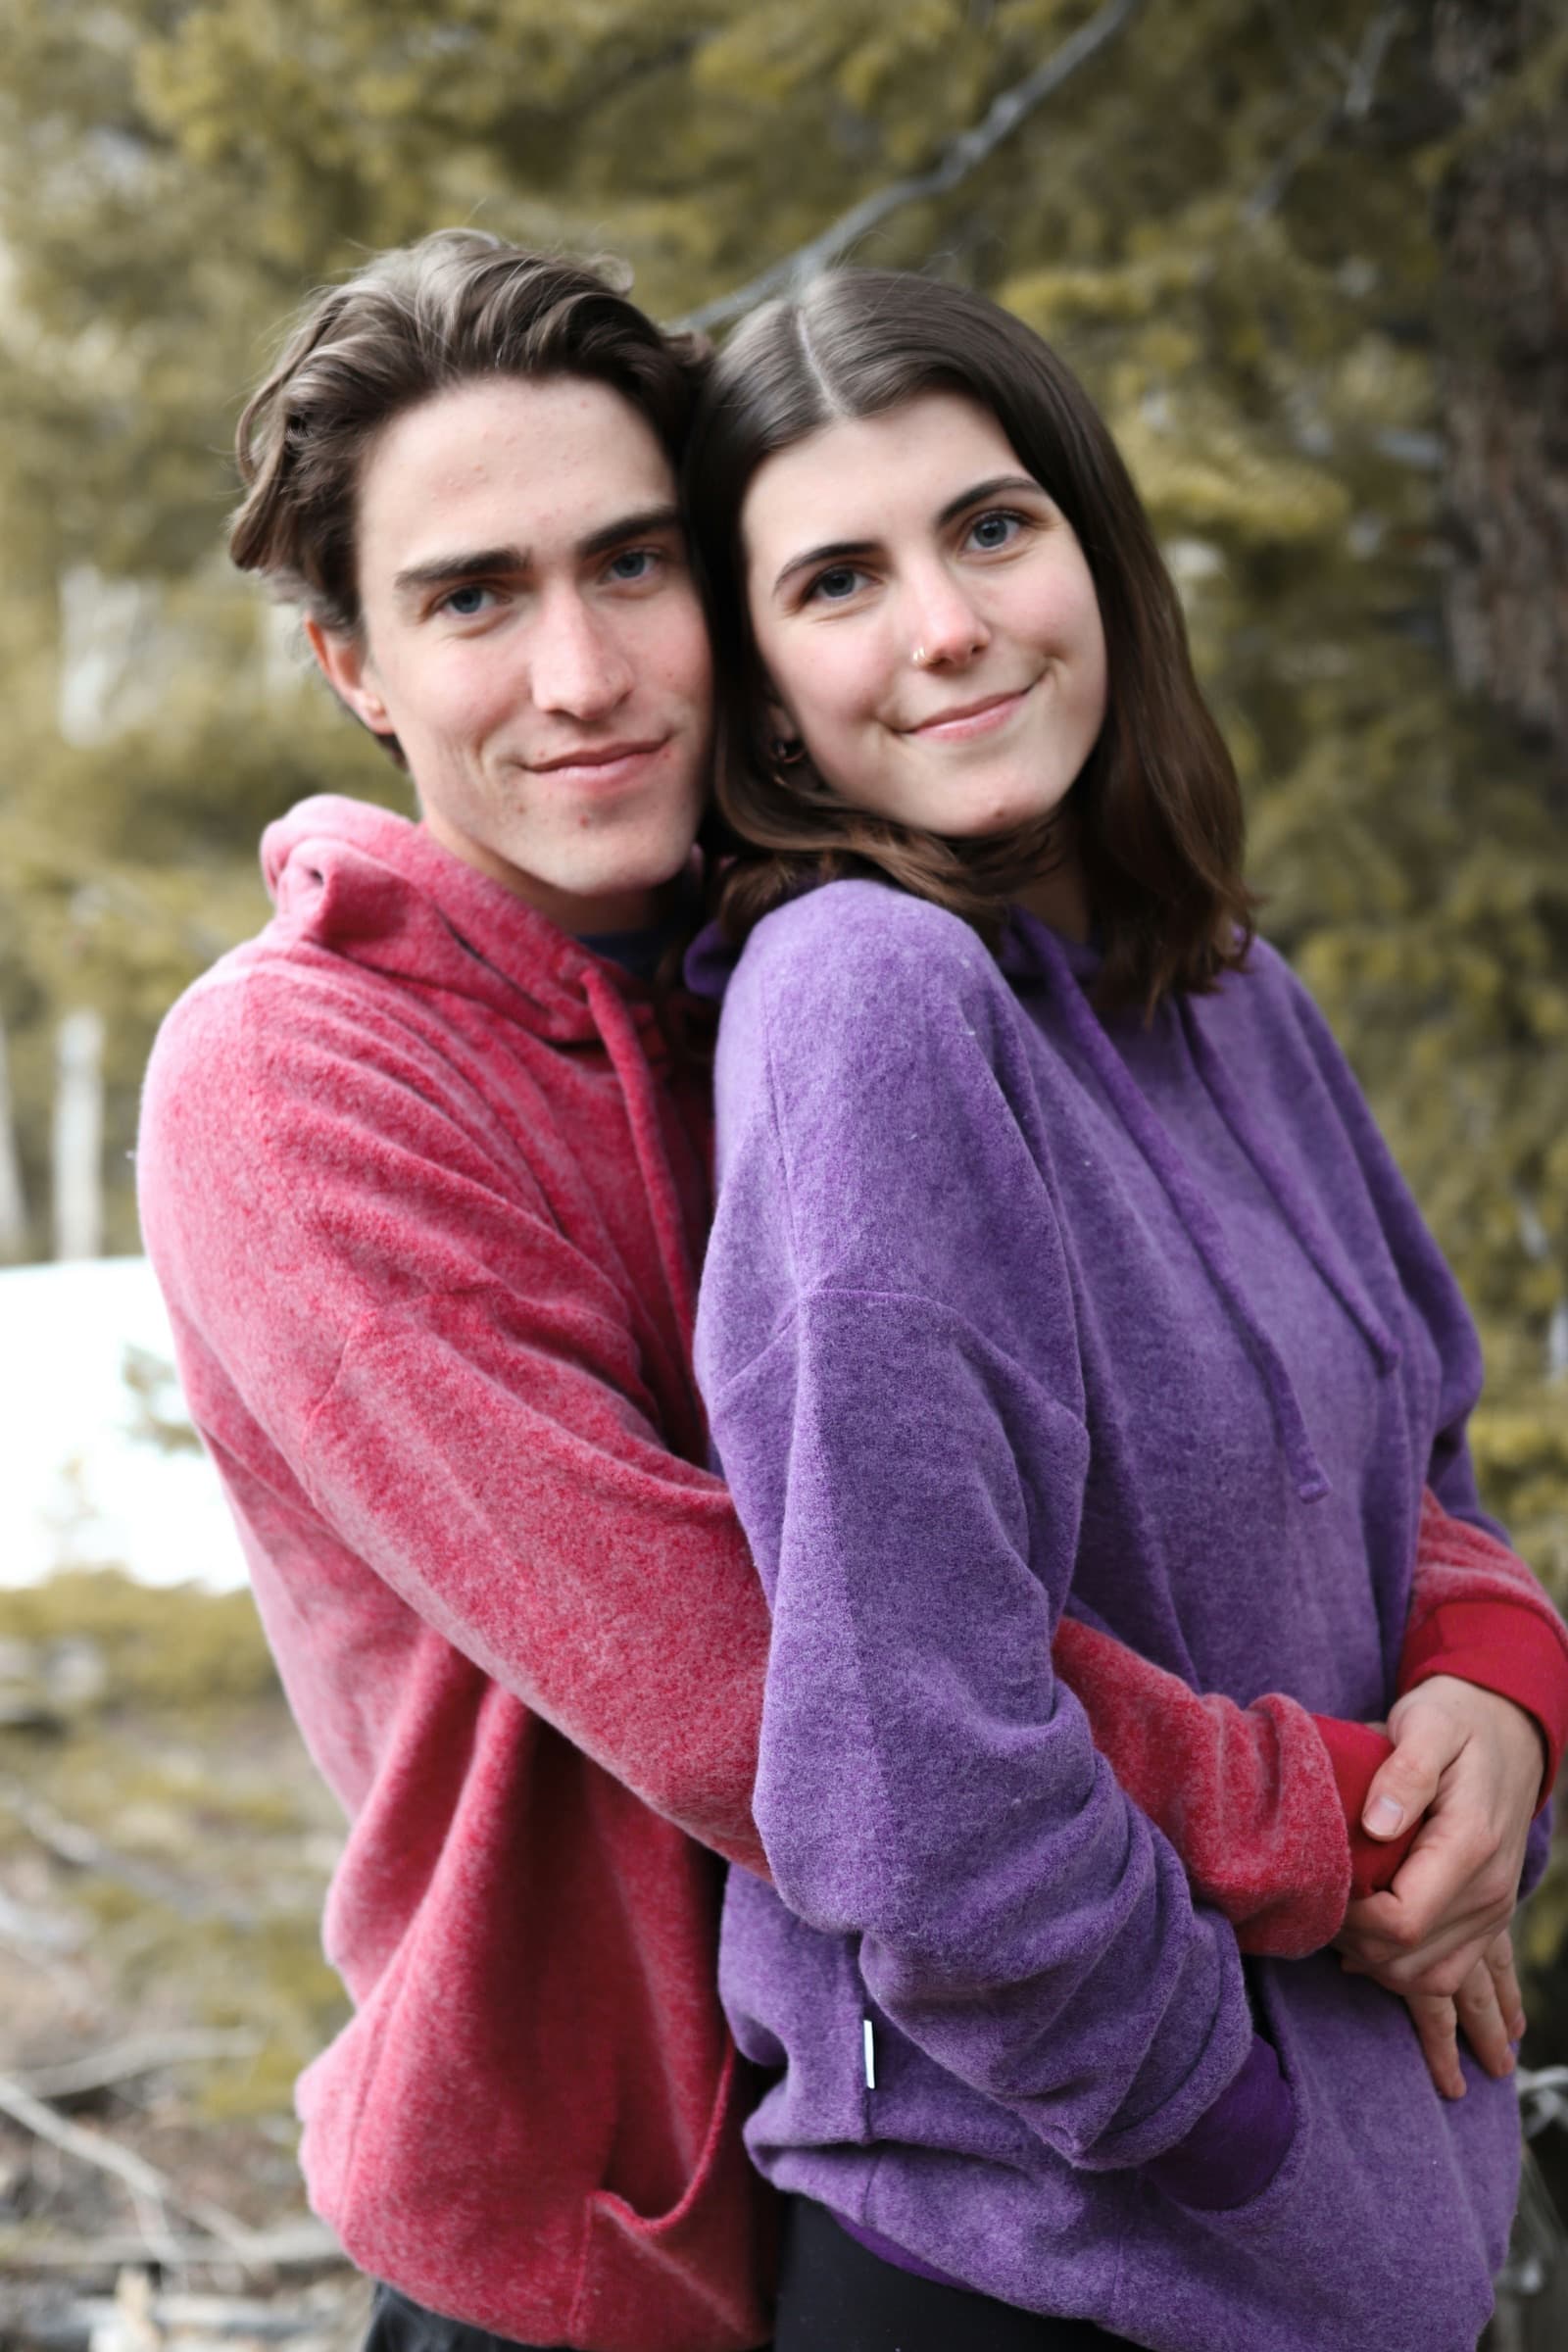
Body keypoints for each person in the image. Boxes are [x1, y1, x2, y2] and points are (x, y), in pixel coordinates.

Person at [135, 231, 1564, 2352]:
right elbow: (768, 1687)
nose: (584, 675)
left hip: (949, 2133)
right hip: (597, 2228)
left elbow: (1344, 1422)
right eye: (471, 599)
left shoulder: (843, 953)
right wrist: (1345, 1840)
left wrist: (1487, 1671)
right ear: (352, 661)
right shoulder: (303, 1080)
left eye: (632, 568)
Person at [679, 267, 1566, 2351]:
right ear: (761, 692)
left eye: (989, 526)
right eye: (836, 581)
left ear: (1092, 543)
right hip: (1047, 2257)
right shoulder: (863, 1005)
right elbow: (909, 1765)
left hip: (1334, 2233)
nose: (947, 625)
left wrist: (1495, 1690)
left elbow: (1415, 1448)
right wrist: (1229, 2127)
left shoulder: (1229, 993)